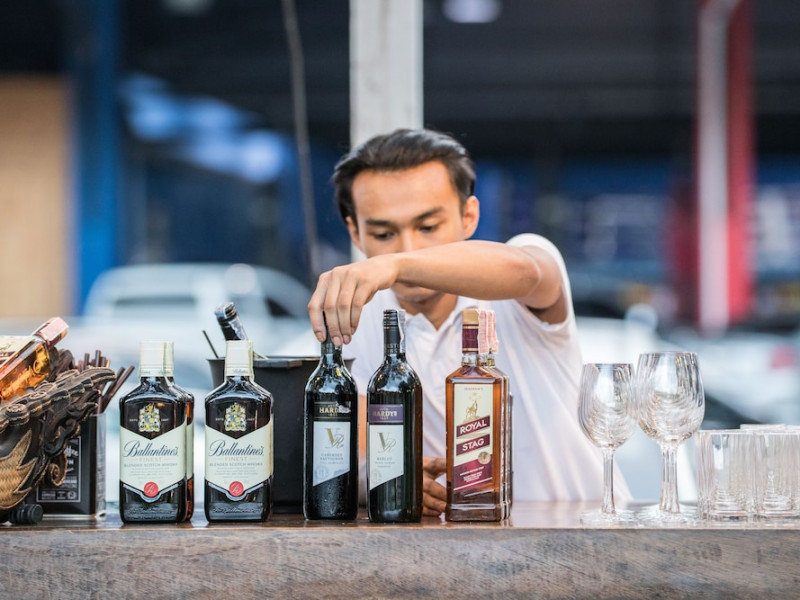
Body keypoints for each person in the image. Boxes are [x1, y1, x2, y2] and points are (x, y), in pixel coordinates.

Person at [307, 128, 630, 516]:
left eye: (428, 227)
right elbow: (358, 451)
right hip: (466, 542)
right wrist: (381, 478)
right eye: (383, 233)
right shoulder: (362, 315)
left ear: (469, 215)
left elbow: (528, 272)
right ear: (355, 232)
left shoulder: (516, 267)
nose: (408, 247)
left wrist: (393, 264)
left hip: (585, 531)